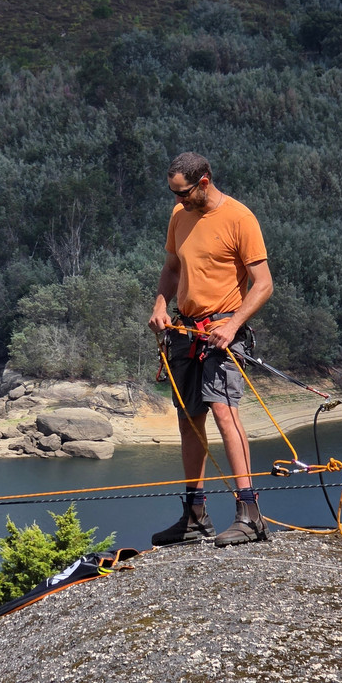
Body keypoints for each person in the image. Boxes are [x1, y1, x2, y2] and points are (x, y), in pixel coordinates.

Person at [148, 152, 275, 548]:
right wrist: (158, 304)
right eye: (174, 194)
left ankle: (250, 513)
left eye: (183, 193)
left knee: (224, 411)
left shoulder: (240, 218)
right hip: (185, 330)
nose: (179, 201)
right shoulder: (178, 216)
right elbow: (172, 269)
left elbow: (263, 284)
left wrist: (234, 324)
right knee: (189, 419)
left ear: (204, 182)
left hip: (223, 331)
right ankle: (194, 516)